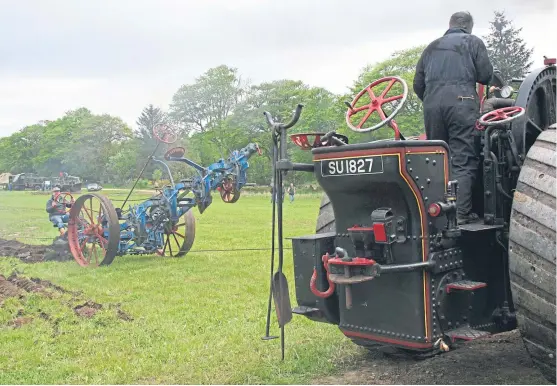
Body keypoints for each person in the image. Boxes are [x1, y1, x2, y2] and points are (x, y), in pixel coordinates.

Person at [413, 11, 493, 225]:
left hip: (431, 106)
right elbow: (485, 76)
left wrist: (433, 101)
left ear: (449, 25)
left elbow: (417, 85)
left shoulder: (430, 47)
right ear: (468, 27)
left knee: (438, 159)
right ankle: (460, 215)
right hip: (462, 102)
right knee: (464, 158)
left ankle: (438, 214)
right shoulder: (473, 42)